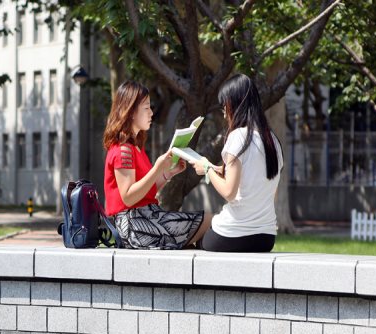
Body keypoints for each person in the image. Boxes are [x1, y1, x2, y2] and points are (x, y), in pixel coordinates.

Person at [103, 81, 210, 249]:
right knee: (209, 221)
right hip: (135, 226)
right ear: (130, 112)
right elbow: (129, 197)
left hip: (147, 218)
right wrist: (157, 168)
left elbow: (145, 192)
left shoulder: (136, 148)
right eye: (146, 108)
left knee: (209, 224)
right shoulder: (124, 150)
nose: (151, 113)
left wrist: (168, 174)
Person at [187, 74, 283, 252]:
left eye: (225, 104)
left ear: (234, 104)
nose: (223, 111)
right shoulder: (272, 141)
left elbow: (229, 193)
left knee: (191, 238)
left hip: (233, 234)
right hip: (266, 238)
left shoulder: (238, 137)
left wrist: (207, 169)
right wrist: (219, 170)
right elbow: (268, 191)